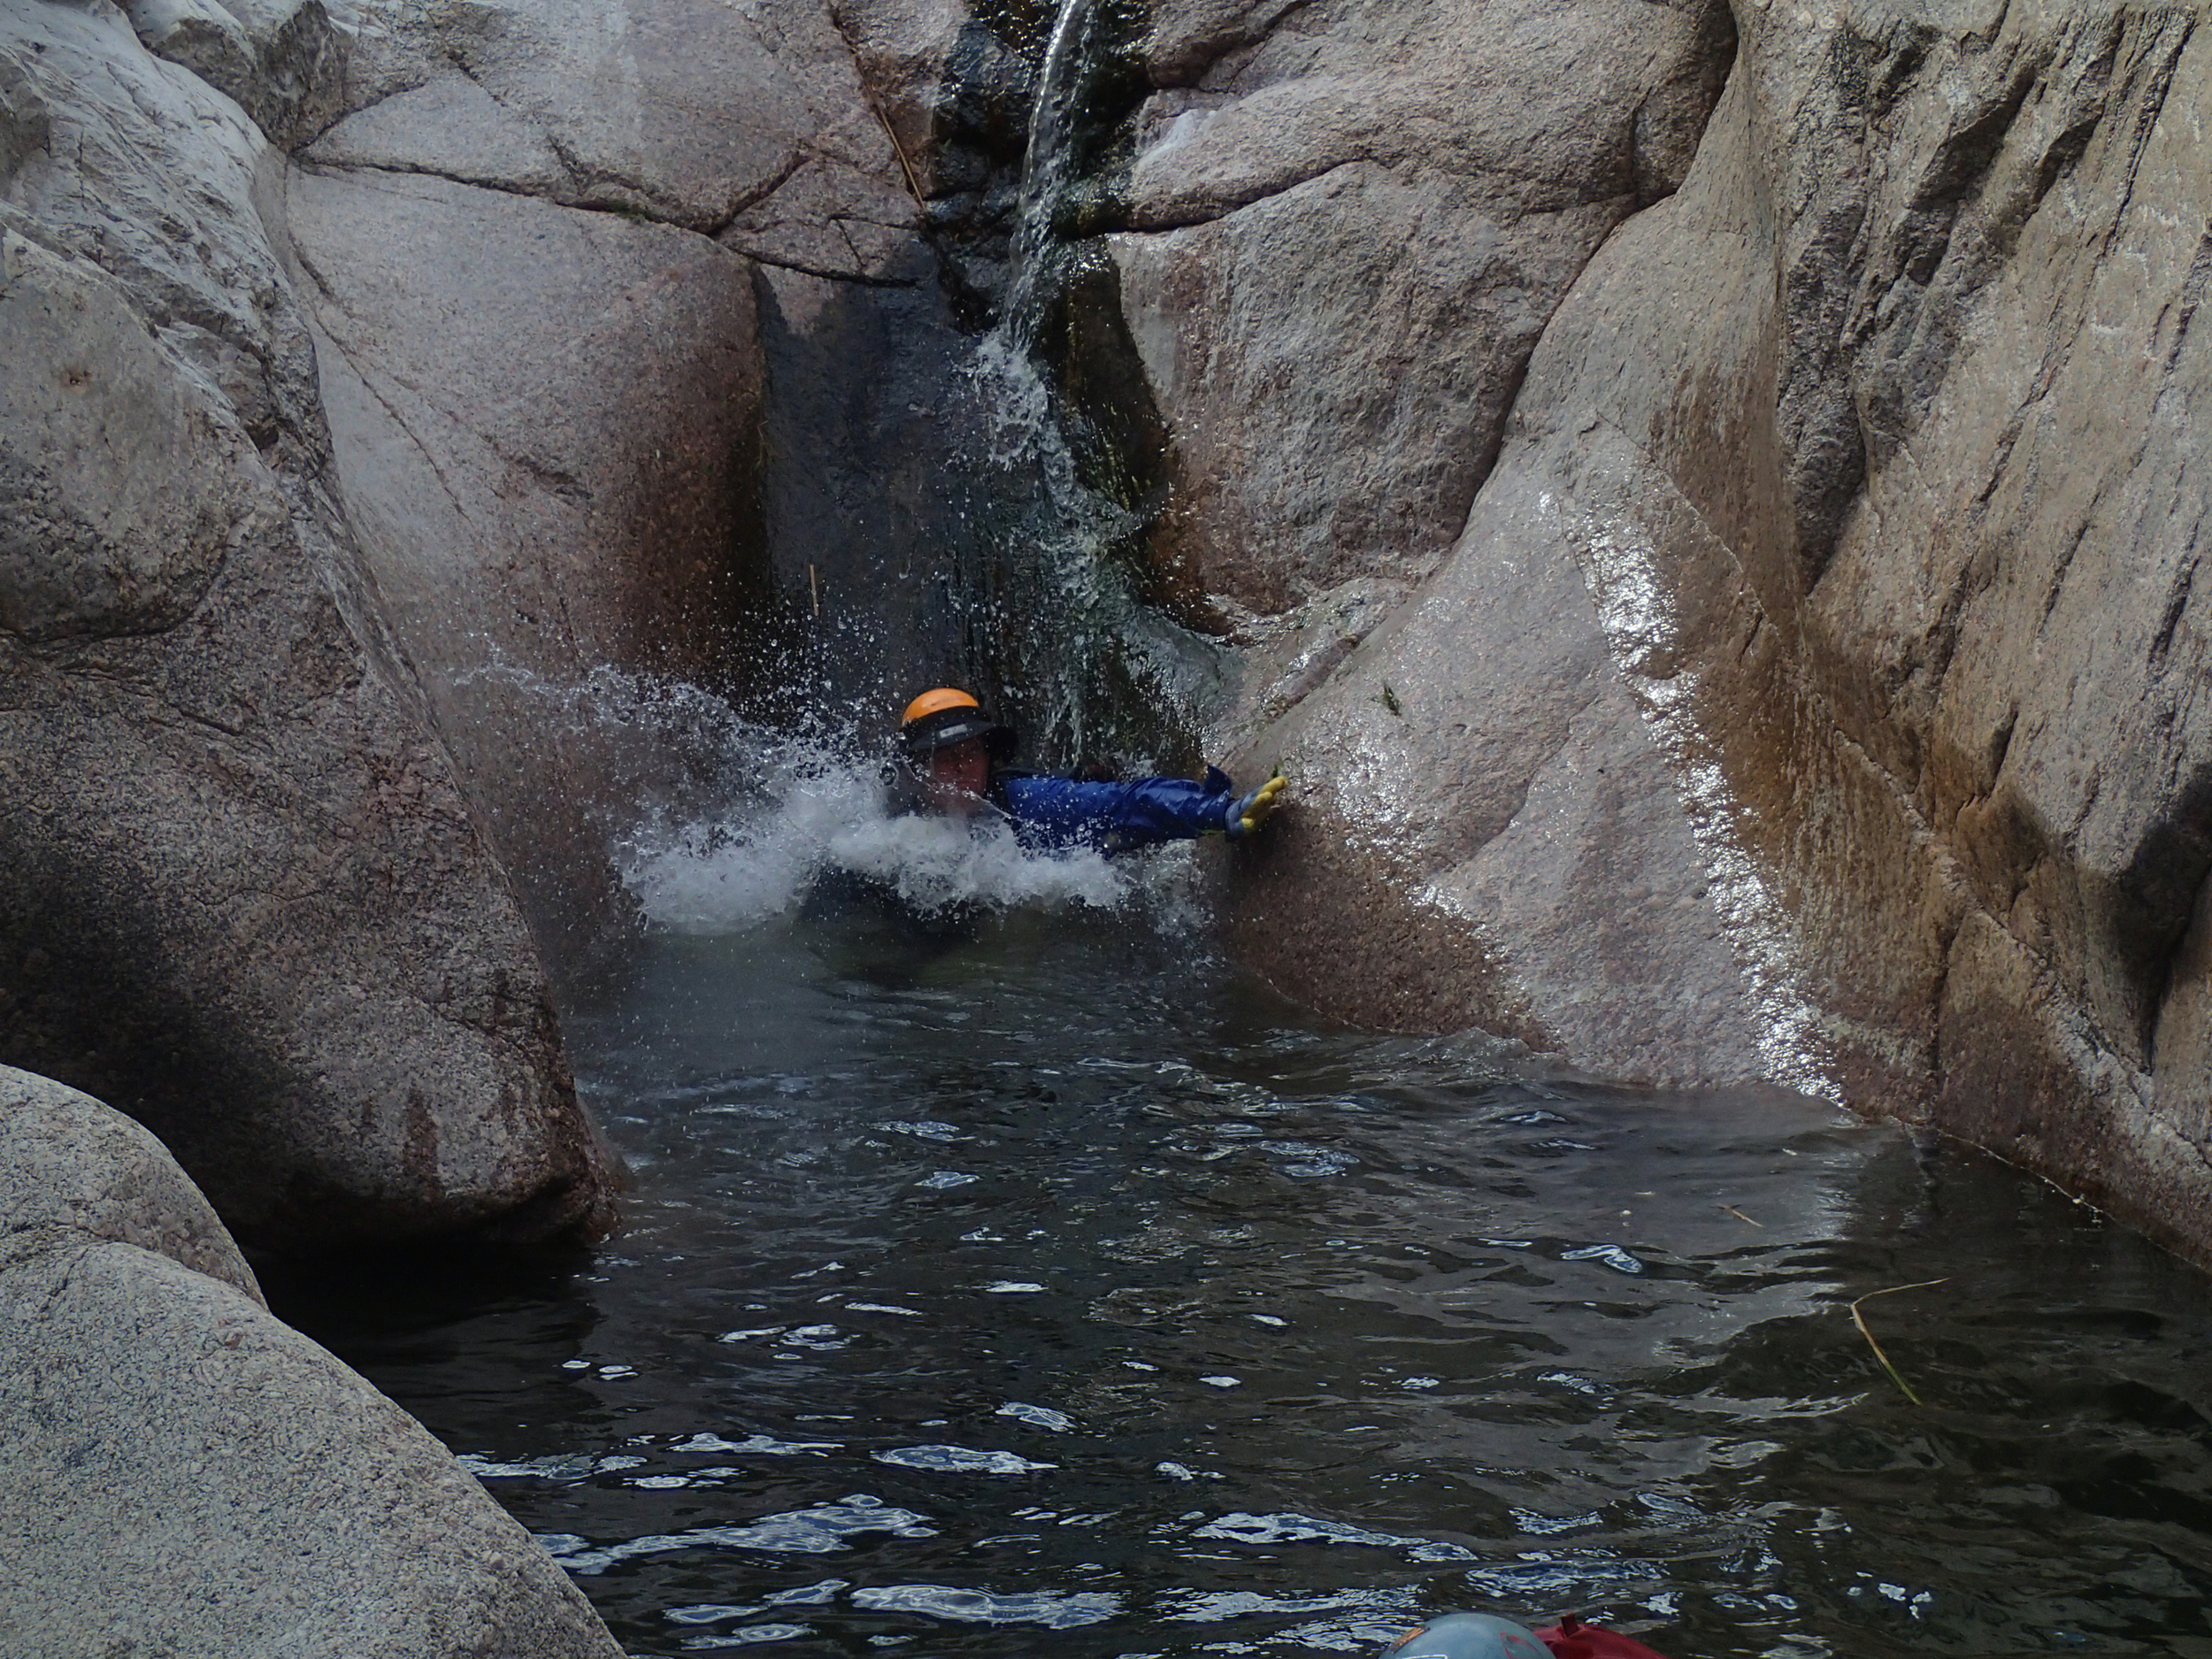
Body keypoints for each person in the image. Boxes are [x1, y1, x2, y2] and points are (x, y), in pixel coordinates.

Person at [897, 687, 1286, 851]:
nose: (964, 768)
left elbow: (1128, 802)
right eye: (947, 757)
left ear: (988, 756)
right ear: (918, 770)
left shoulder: (1028, 804)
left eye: (972, 752)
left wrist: (1217, 810)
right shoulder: (885, 826)